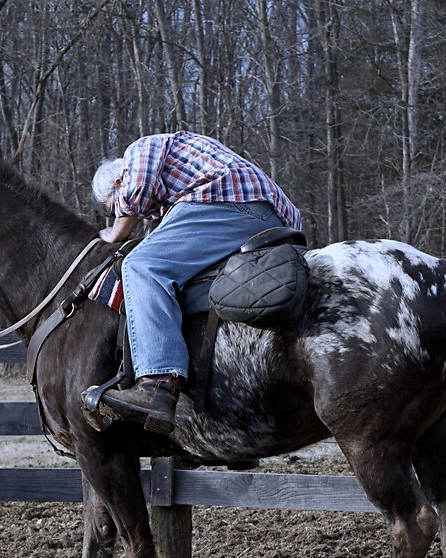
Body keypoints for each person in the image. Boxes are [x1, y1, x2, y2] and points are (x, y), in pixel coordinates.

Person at [90, 130, 302, 434]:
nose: (117, 215)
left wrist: (114, 234)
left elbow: (137, 192)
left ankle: (158, 383)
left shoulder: (141, 150)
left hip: (230, 202)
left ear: (117, 182)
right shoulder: (172, 192)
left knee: (141, 266)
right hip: (265, 215)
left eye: (112, 208)